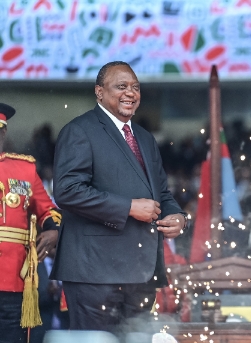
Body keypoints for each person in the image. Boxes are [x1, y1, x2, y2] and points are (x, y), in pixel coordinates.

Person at [50, 61, 187, 334]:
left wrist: (177, 216)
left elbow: (161, 193)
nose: (130, 93)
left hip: (140, 272)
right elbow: (67, 191)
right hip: (95, 272)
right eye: (121, 86)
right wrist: (128, 207)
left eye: (135, 87)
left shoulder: (145, 139)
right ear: (99, 92)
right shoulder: (80, 131)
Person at [0, 103, 62, 343]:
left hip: (15, 279)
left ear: (3, 133)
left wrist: (54, 230)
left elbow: (49, 210)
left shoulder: (24, 170)